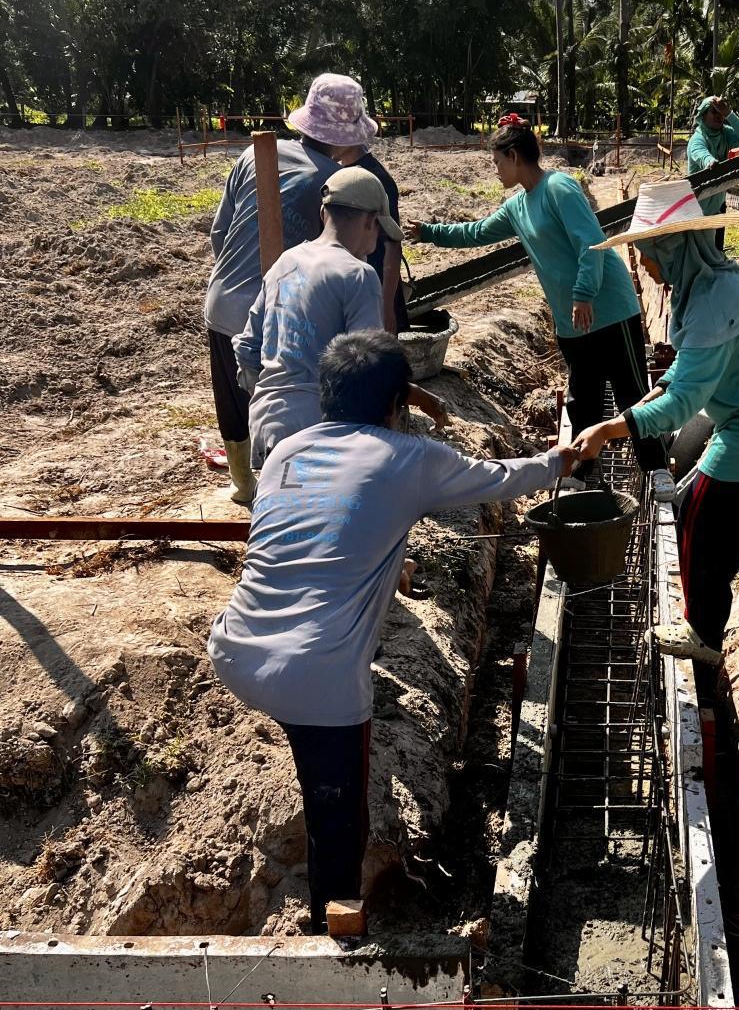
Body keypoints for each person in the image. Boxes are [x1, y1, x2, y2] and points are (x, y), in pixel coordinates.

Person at [208, 329, 580, 931]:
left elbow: (317, 527)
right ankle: (333, 930)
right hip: (315, 674)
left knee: (313, 741)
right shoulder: (410, 458)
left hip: (233, 645)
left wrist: (388, 558)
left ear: (325, 394)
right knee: (338, 816)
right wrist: (563, 459)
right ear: (396, 403)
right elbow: (502, 478)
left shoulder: (285, 451)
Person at [574, 180, 739, 667]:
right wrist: (647, 398)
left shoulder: (710, 301)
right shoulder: (712, 283)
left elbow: (683, 404)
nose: (642, 263)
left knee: (700, 522)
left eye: (645, 252)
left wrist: (605, 430)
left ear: (671, 244)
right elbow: (687, 371)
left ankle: (703, 633)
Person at [404, 116, 665, 473]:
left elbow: (592, 243)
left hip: (608, 310)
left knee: (631, 394)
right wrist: (431, 232)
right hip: (570, 321)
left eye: (496, 161)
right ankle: (585, 479)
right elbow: (476, 232)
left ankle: (657, 470)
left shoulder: (560, 188)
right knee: (584, 402)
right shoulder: (518, 206)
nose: (495, 170)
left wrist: (584, 292)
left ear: (513, 155)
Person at [204, 74, 377, 505]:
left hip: (222, 301)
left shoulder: (253, 154)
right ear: (345, 137)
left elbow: (218, 232)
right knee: (285, 395)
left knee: (233, 398)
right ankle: (287, 493)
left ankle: (244, 485)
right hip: (278, 310)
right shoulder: (334, 182)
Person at [232, 166, 446, 468]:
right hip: (322, 431)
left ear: (323, 214)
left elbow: (247, 349)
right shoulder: (357, 274)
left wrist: (279, 403)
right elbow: (369, 371)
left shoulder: (285, 263)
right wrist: (424, 400)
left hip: (269, 426)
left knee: (282, 512)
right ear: (372, 221)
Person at [336, 142, 409, 331]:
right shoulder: (337, 174)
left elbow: (393, 245)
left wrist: (386, 307)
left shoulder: (376, 179)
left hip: (376, 286)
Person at [686, 95, 739, 248]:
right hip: (698, 210)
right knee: (700, 257)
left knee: (716, 252)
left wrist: (729, 113)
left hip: (718, 205)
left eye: (720, 112)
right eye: (713, 112)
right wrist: (710, 161)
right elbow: (701, 153)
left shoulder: (725, 132)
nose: (718, 116)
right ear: (703, 115)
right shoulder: (698, 138)